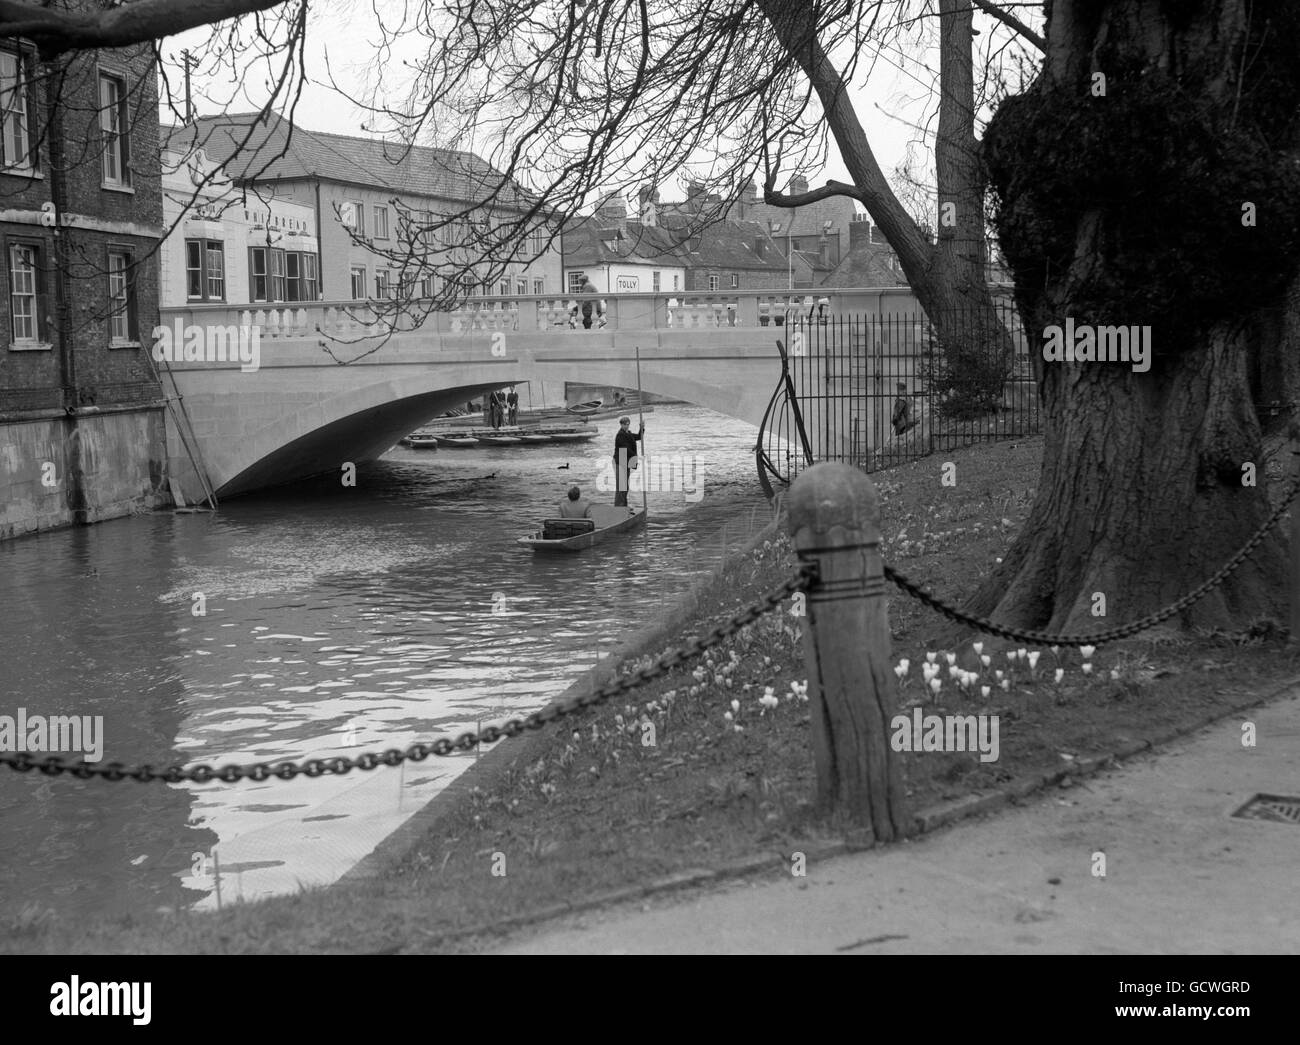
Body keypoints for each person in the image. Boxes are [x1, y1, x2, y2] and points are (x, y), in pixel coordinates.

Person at [612, 415, 644, 508]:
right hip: (620, 461)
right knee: (621, 487)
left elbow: (638, 437)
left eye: (628, 424)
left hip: (625, 462)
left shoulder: (628, 433)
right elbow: (625, 448)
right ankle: (618, 507)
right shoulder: (620, 435)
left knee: (625, 487)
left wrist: (641, 428)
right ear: (621, 425)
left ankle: (623, 506)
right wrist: (636, 457)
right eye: (624, 424)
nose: (626, 426)